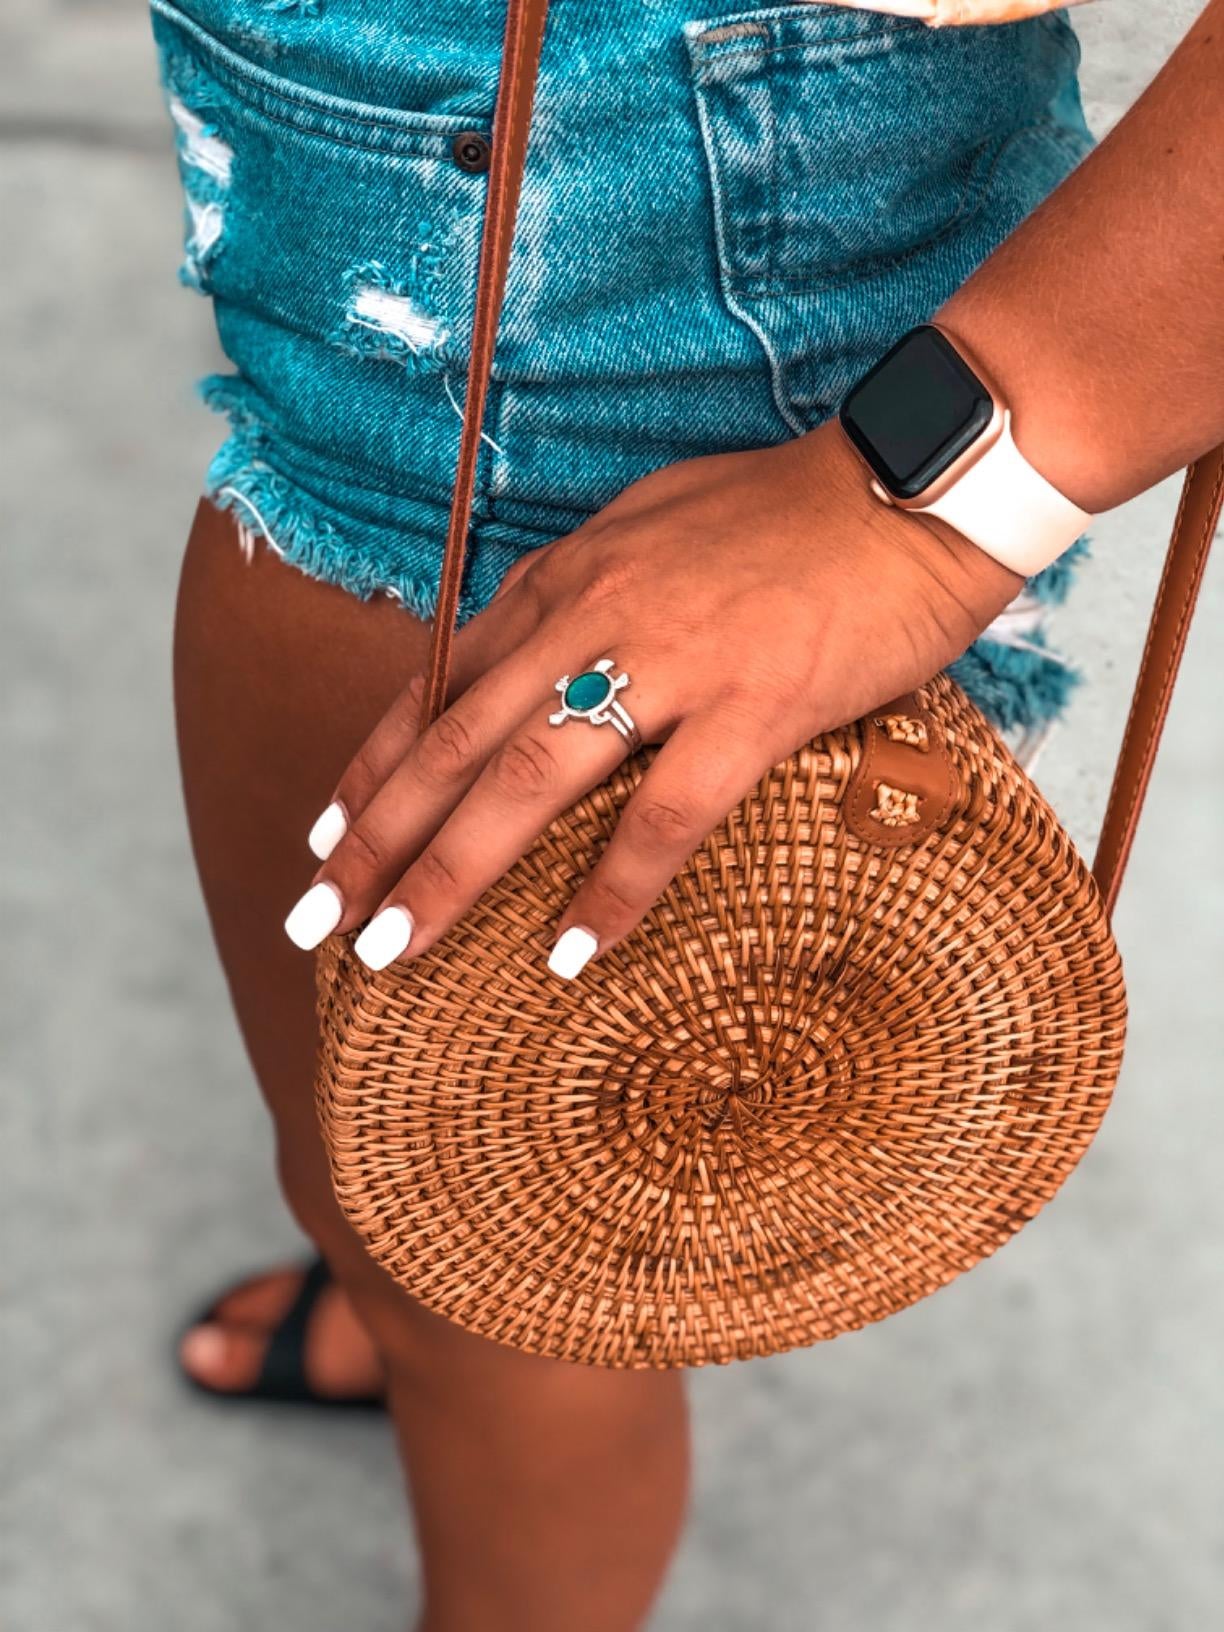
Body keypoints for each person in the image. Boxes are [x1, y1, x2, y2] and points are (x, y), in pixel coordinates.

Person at [158, 0, 1223, 1625]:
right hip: (493, 148)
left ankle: (449, 1359)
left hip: (616, 198)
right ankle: (409, 1301)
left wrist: (941, 496)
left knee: (507, 1276)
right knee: (413, 1172)